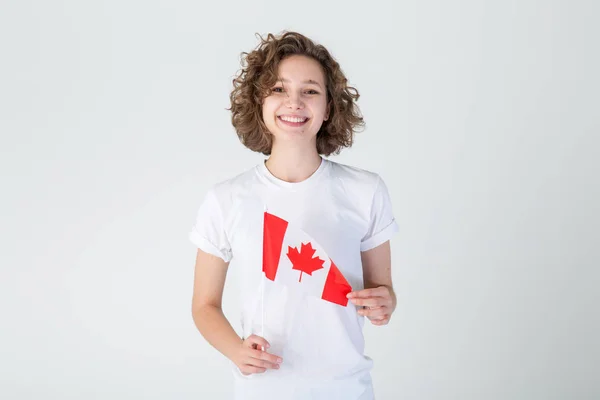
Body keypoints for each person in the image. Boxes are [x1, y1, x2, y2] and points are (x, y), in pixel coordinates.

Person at [189, 31, 399, 400]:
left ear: (329, 108)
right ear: (259, 102)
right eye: (279, 89)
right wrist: (235, 350)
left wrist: (384, 304)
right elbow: (204, 306)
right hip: (263, 391)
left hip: (346, 388)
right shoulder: (227, 199)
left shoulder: (366, 191)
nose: (294, 102)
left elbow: (383, 293)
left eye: (311, 91)